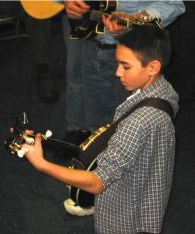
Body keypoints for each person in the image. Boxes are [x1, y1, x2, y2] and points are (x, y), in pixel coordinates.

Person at [21, 23, 179, 234]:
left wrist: (43, 164)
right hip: (146, 202)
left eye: (125, 66)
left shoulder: (138, 122)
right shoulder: (164, 92)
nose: (117, 72)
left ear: (153, 67)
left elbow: (97, 183)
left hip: (124, 221)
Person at [62, 1, 185, 144]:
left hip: (133, 55)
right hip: (91, 45)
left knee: (132, 124)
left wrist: (138, 19)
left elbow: (174, 5)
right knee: (97, 125)